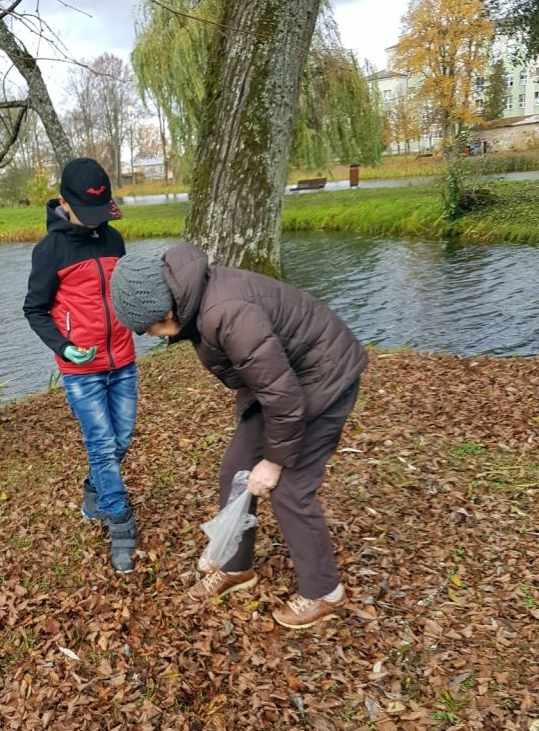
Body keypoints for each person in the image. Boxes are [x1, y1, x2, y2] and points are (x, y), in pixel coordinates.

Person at [110, 242, 367, 627]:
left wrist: (275, 461)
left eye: (148, 328)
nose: (150, 335)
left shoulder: (226, 312)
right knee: (236, 468)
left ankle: (324, 591)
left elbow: (282, 394)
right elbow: (260, 376)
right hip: (288, 381)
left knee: (290, 489)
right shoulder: (195, 301)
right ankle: (236, 566)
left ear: (165, 310)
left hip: (325, 377)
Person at [23, 158, 138, 573]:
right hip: (81, 371)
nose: (94, 224)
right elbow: (35, 309)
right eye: (86, 215)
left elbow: (122, 292)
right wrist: (65, 346)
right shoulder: (49, 251)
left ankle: (95, 489)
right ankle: (120, 522)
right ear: (65, 203)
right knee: (103, 446)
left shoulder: (114, 240)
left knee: (121, 438)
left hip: (122, 359)